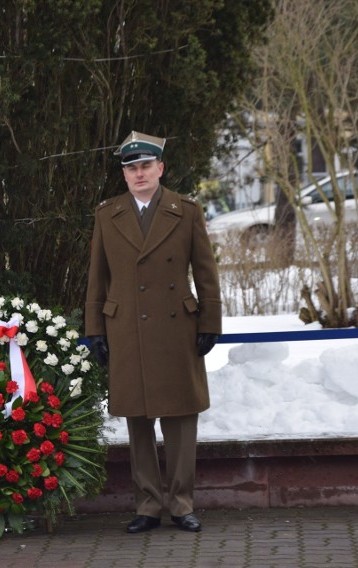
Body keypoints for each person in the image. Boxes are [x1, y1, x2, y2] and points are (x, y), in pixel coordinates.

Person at [85, 131, 222, 534]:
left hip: (176, 328)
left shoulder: (186, 210)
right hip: (126, 327)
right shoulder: (107, 215)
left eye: (146, 166)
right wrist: (95, 329)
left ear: (160, 168)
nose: (139, 173)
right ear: (124, 175)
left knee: (181, 419)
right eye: (131, 168)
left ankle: (181, 504)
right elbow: (97, 277)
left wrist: (210, 323)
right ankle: (147, 505)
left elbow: (206, 273)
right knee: (138, 421)